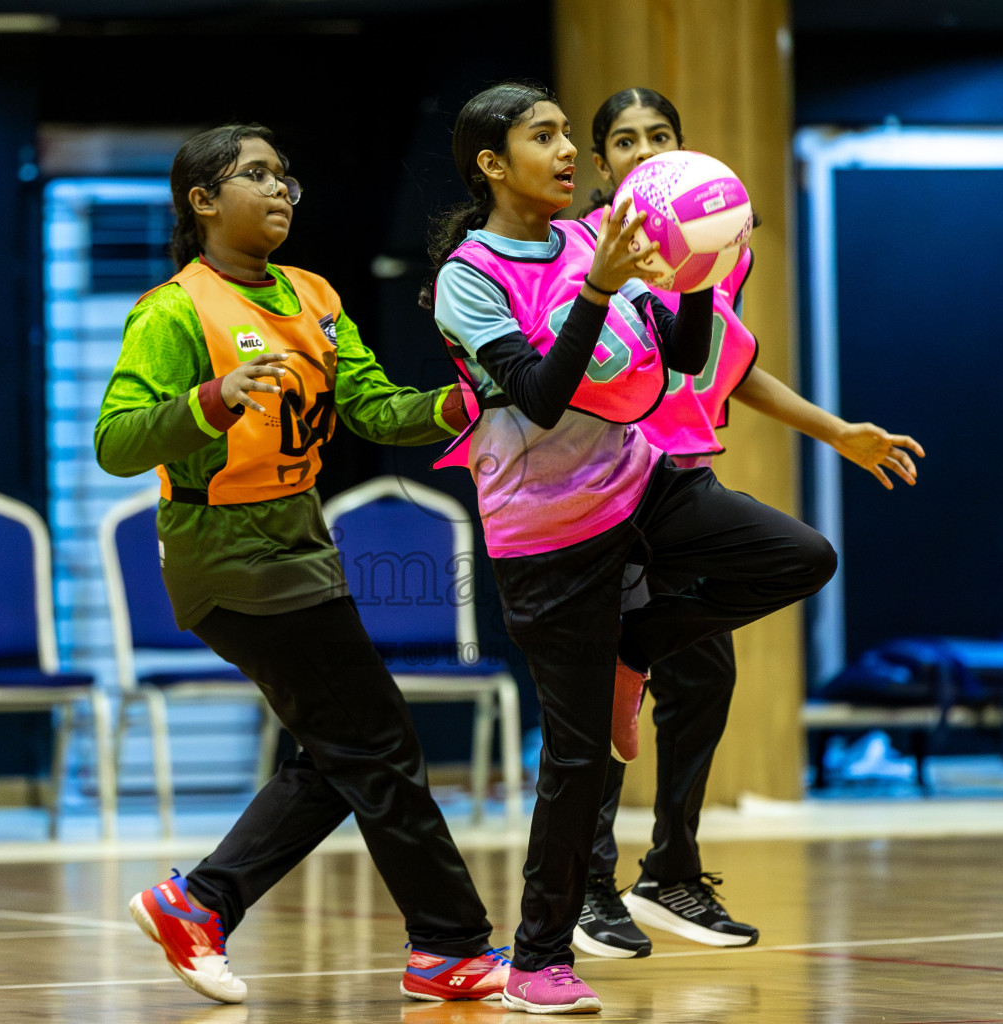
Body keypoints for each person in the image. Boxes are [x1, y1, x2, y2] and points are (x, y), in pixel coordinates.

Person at [426, 82, 846, 1013]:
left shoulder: (590, 238)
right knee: (578, 760)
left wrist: (693, 274)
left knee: (799, 556)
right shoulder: (470, 275)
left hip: (639, 482)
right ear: (493, 165)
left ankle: (636, 645)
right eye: (545, 137)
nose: (569, 150)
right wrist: (605, 285)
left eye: (569, 134)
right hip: (545, 530)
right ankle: (538, 959)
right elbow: (538, 395)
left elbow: (688, 364)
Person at [95, 123, 508, 1006]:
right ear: (204, 202)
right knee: (381, 745)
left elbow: (374, 410)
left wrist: (466, 400)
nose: (281, 191)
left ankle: (200, 901)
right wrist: (207, 400)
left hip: (298, 545)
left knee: (345, 750)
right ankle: (449, 945)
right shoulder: (173, 310)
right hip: (227, 554)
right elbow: (115, 442)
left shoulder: (314, 295)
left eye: (286, 177)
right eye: (256, 176)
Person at [570, 87, 924, 960]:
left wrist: (836, 431)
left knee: (704, 685)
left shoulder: (720, 251)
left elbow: (730, 363)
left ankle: (670, 873)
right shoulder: (582, 251)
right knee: (597, 701)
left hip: (688, 476)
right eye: (624, 140)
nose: (643, 150)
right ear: (602, 162)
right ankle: (585, 886)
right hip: (611, 488)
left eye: (660, 135)